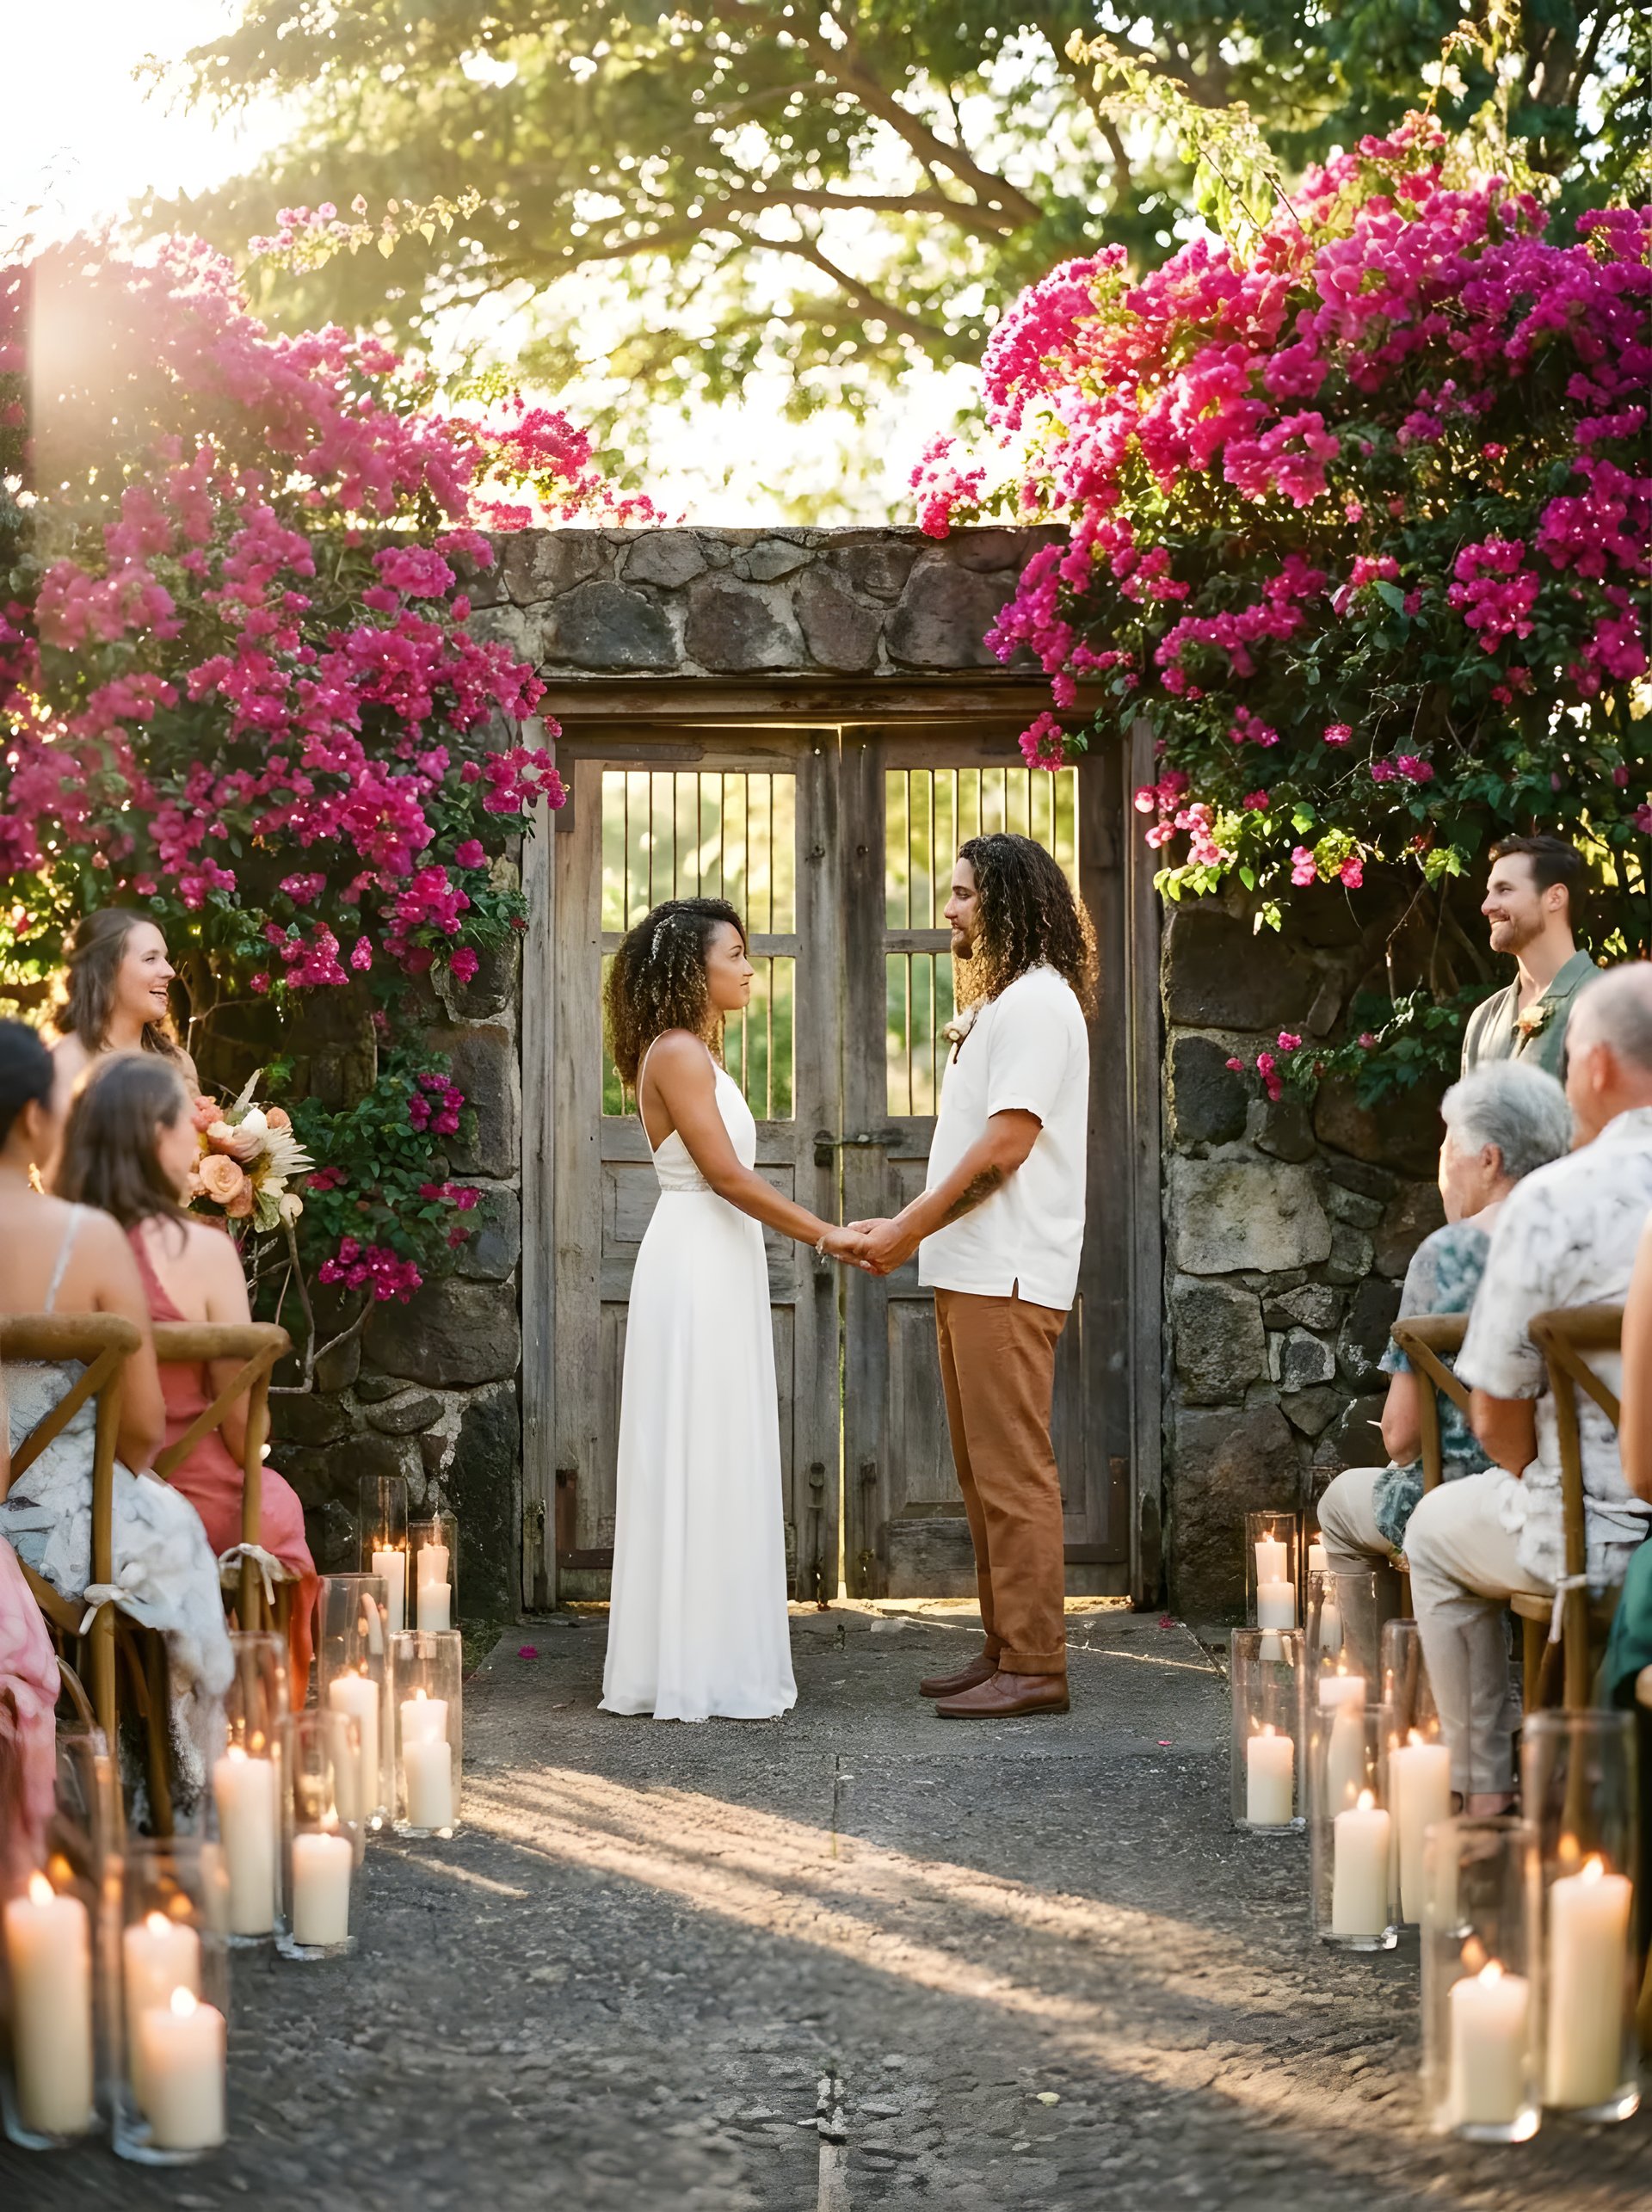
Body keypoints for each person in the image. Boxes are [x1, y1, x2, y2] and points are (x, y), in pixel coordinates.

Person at [599, 897, 870, 1722]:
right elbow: (727, 1177)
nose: (750, 968)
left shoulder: (694, 1052)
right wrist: (828, 1234)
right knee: (697, 1446)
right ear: (693, 968)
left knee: (718, 1448)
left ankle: (711, 1654)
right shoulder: (677, 1052)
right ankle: (690, 1666)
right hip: (693, 1263)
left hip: (720, 1259)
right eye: (737, 955)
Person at [852, 835, 1094, 1720]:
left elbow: (1006, 1147)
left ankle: (1036, 1662)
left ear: (1006, 901)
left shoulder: (1036, 1003)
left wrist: (907, 1230)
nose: (948, 910)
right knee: (980, 1469)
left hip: (1010, 1271)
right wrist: (913, 1229)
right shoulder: (1002, 1004)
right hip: (971, 1268)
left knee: (1013, 1470)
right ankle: (1005, 1644)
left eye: (961, 895)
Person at [1407, 964, 1652, 1812]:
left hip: (1594, 1540)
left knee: (1434, 1532)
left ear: (1594, 1067)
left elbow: (1498, 1412)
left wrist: (1532, 1478)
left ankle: (1484, 1794)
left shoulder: (1553, 1201)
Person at [0, 1022, 232, 1810]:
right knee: (173, 1540)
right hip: (71, 1525)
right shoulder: (88, 1240)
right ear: (37, 1116)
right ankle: (173, 1782)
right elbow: (139, 1428)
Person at [54, 1051, 319, 1703]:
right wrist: (258, 1428)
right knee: (278, 1507)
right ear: (153, 1137)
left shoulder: (61, 1248)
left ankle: (128, 1695)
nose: (196, 1139)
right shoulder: (202, 1249)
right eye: (183, 1122)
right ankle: (255, 1716)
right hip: (202, 1504)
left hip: (89, 1512)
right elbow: (240, 1432)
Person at [1316, 1063, 1573, 1592]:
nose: (1442, 1171)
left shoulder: (1447, 1255)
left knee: (1338, 1506)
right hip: (1579, 1494)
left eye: (1447, 1150)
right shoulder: (1581, 1239)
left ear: (1489, 1159)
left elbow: (1402, 1437)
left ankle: (1385, 1672)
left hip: (1456, 1494)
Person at [1460, 835, 1599, 1078]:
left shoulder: (1613, 1006)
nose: (1486, 906)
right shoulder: (1484, 1019)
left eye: (1504, 890)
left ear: (1555, 898)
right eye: (1489, 891)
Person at [51, 909, 202, 1096]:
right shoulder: (66, 1064)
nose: (169, 972)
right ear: (105, 972)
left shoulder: (178, 1062)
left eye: (166, 959)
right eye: (150, 959)